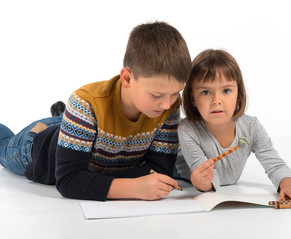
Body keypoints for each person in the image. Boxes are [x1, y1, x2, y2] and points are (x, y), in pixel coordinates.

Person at [0, 21, 191, 201]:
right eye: (156, 95)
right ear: (127, 79)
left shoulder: (168, 105)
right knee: (3, 144)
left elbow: (158, 171)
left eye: (175, 93)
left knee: (77, 126)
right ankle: (64, 117)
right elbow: (69, 180)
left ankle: (63, 115)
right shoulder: (85, 104)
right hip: (39, 146)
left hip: (84, 132)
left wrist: (93, 179)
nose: (167, 104)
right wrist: (133, 187)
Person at [175, 49, 291, 200]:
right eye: (206, 92)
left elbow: (275, 164)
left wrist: (287, 184)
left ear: (239, 96)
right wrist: (201, 183)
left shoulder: (251, 127)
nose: (216, 101)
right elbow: (210, 180)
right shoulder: (187, 130)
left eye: (226, 90)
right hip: (173, 170)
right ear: (193, 98)